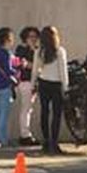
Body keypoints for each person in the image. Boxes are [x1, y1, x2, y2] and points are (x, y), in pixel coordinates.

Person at [33, 25, 70, 154]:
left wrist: (33, 85)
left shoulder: (39, 51)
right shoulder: (60, 51)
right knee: (56, 115)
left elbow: (35, 70)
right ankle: (54, 143)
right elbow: (63, 71)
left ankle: (46, 142)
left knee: (44, 113)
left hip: (43, 83)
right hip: (56, 85)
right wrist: (66, 88)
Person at [0, 28, 19, 150]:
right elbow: (8, 70)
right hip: (5, 86)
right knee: (3, 114)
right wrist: (16, 73)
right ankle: (3, 139)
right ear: (7, 39)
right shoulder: (5, 53)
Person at [13, 26, 41, 147]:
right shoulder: (21, 49)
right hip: (25, 82)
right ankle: (25, 135)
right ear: (25, 38)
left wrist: (32, 65)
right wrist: (33, 66)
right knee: (26, 108)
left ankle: (26, 134)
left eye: (35, 37)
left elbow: (39, 66)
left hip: (35, 82)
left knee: (29, 109)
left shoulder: (38, 50)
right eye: (31, 37)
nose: (33, 39)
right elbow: (21, 63)